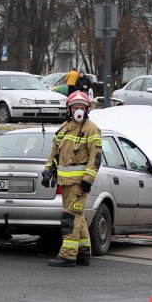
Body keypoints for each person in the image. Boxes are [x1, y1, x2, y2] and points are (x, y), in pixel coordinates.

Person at [42, 91, 102, 267]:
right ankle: (83, 253)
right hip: (66, 183)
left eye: (81, 107)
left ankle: (68, 255)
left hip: (79, 184)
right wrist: (48, 170)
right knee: (78, 217)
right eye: (75, 107)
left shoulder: (91, 129)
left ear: (87, 109)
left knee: (70, 217)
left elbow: (95, 157)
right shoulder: (64, 128)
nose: (78, 110)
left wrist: (88, 179)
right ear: (69, 109)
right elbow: (55, 152)